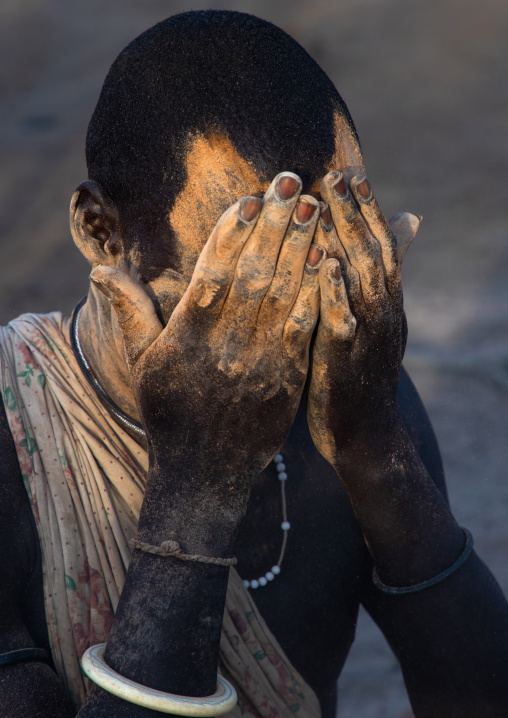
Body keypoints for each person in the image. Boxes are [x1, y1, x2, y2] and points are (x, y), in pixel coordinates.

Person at [0, 10, 507, 718]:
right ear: (101, 232)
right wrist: (200, 485)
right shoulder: (14, 437)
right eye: (238, 291)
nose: (290, 333)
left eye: (322, 274)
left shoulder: (344, 388)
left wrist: (375, 449)